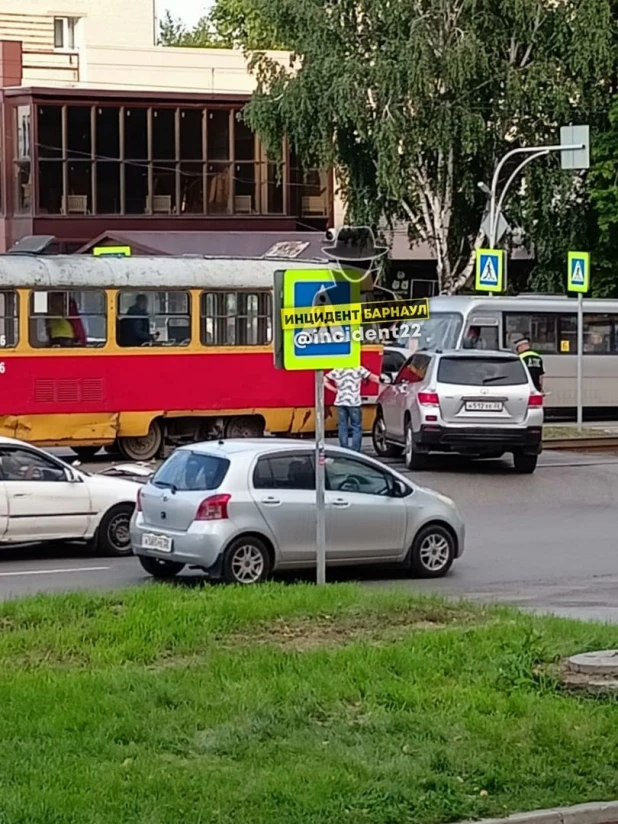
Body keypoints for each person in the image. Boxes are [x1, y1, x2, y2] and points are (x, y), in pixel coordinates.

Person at [325, 366, 381, 452]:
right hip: (354, 402)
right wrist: (385, 381)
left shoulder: (337, 369)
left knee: (342, 427)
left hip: (341, 402)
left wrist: (334, 390)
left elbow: (324, 380)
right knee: (356, 426)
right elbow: (372, 377)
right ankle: (355, 450)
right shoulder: (358, 368)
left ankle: (344, 449)